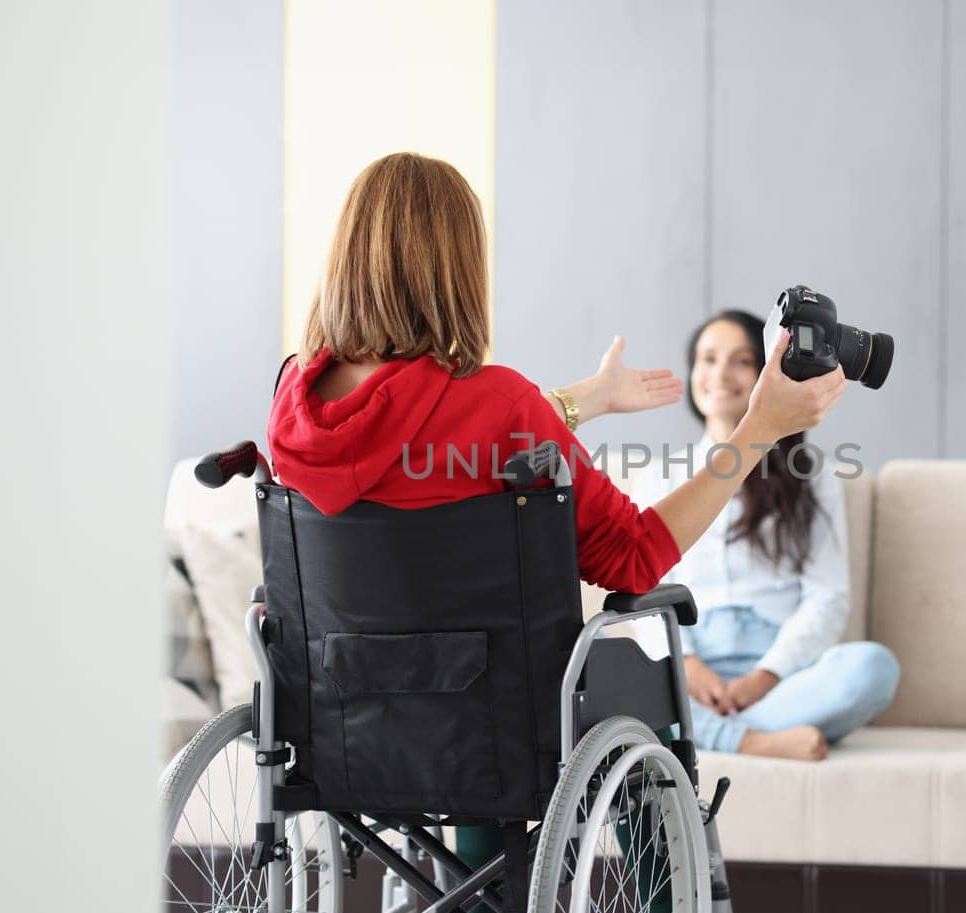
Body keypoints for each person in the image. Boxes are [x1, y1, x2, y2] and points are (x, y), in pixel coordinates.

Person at [264, 152, 846, 905]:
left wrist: (577, 401)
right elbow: (634, 557)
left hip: (346, 717)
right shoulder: (504, 405)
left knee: (469, 708)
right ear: (457, 267)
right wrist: (759, 431)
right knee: (624, 695)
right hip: (494, 727)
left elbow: (418, 430)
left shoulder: (292, 402)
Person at [631, 311, 899, 761]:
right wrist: (690, 668)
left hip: (781, 675)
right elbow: (644, 585)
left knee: (873, 667)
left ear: (764, 373)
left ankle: (700, 733)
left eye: (739, 361)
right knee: (612, 668)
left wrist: (764, 677)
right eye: (708, 358)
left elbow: (827, 597)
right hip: (686, 666)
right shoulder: (662, 474)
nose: (720, 374)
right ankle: (755, 742)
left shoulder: (809, 475)